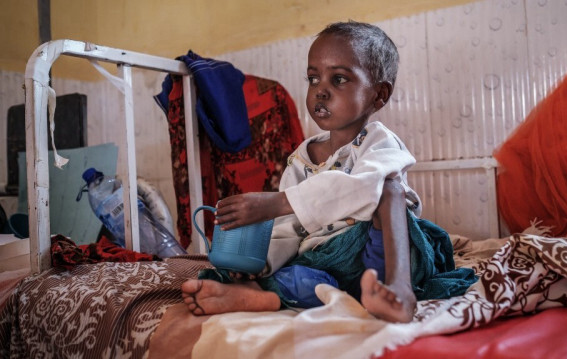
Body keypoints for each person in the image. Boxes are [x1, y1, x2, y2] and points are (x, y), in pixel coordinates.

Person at [181, 21, 476, 323]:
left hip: (379, 251)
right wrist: (260, 263)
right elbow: (287, 228)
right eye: (313, 78)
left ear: (379, 95)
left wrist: (276, 202)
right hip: (329, 263)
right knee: (302, 276)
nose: (320, 91)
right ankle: (262, 294)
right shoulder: (301, 158)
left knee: (390, 189)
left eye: (338, 79)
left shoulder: (379, 142)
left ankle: (399, 290)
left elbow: (364, 189)